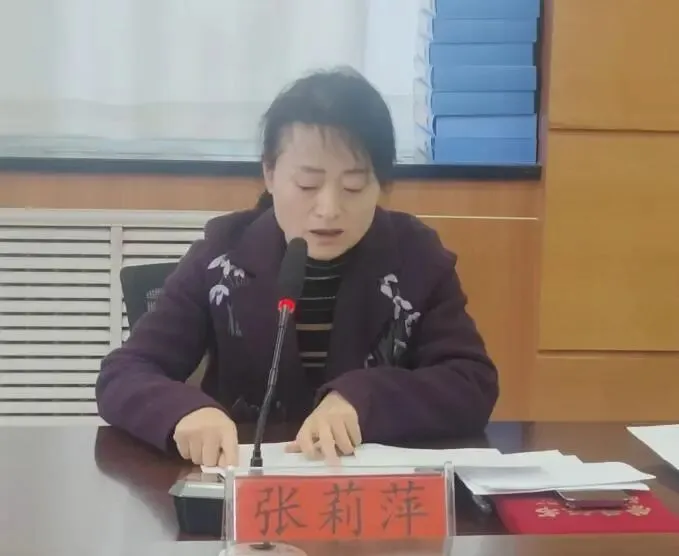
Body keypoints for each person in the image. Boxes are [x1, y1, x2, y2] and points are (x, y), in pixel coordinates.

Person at [96, 67, 499, 467]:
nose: (329, 209)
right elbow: (125, 371)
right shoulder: (222, 256)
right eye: (307, 185)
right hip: (247, 488)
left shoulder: (415, 257)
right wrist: (187, 412)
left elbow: (471, 382)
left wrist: (363, 400)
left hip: (367, 489)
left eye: (354, 186)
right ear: (270, 174)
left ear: (381, 183)